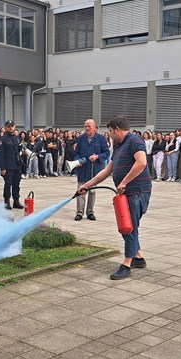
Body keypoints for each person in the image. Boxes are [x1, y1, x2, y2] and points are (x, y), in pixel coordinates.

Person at [78, 116, 151, 280]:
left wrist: (124, 182)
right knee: (128, 225)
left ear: (117, 129)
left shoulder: (135, 141)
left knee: (129, 227)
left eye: (110, 131)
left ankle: (126, 265)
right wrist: (87, 186)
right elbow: (107, 171)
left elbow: (141, 163)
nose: (110, 135)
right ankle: (138, 258)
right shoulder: (118, 146)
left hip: (137, 191)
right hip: (125, 193)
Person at [73, 119, 111, 221]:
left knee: (92, 191)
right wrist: (77, 160)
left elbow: (106, 153)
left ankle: (90, 211)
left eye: (89, 126)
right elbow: (77, 153)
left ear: (94, 127)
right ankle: (79, 212)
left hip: (94, 169)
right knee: (81, 190)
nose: (86, 128)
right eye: (85, 126)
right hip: (82, 168)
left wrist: (97, 156)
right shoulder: (80, 138)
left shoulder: (101, 139)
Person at [0, 120, 23, 210]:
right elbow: (1, 155)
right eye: (8, 126)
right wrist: (3, 168)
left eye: (12, 126)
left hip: (17, 165)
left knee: (16, 184)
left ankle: (16, 201)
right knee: (8, 184)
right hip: (8, 166)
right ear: (5, 128)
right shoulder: (2, 139)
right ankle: (7, 202)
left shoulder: (17, 138)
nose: (10, 128)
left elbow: (19, 151)